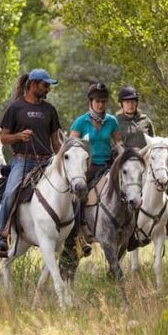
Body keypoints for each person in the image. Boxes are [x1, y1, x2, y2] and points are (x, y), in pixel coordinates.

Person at [0, 69, 62, 257]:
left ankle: (76, 236)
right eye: (45, 85)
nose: (48, 89)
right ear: (33, 84)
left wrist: (63, 159)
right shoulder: (16, 108)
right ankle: (3, 234)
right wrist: (19, 136)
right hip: (23, 161)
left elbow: (56, 141)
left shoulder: (50, 110)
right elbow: (3, 138)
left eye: (48, 86)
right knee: (10, 193)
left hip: (46, 162)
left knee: (69, 189)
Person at [115, 85, 168, 239]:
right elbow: (114, 144)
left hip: (147, 164)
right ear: (121, 104)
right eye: (127, 102)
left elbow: (154, 142)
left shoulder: (145, 120)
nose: (131, 104)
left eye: (133, 101)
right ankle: (121, 227)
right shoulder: (116, 122)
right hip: (128, 164)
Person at [62, 82, 122, 258]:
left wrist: (123, 159)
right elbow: (71, 145)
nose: (101, 104)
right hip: (87, 167)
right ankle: (78, 234)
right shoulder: (81, 121)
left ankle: (127, 229)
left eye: (103, 101)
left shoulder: (112, 121)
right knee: (77, 196)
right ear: (90, 101)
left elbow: (119, 143)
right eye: (97, 101)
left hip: (107, 166)